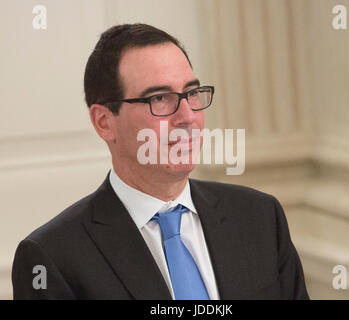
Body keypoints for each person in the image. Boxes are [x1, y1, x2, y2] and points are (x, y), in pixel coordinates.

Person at [12, 23, 309, 300]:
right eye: (159, 99)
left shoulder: (259, 216)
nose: (187, 117)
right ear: (104, 122)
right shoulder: (52, 258)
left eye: (191, 93)